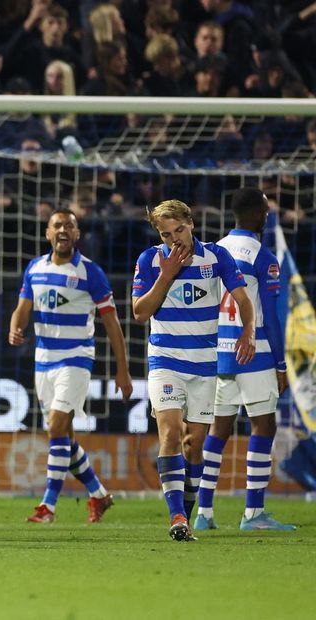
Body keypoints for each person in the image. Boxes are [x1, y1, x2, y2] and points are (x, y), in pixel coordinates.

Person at [131, 199, 256, 542]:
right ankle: (176, 516)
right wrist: (166, 277)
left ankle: (184, 515)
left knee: (194, 444)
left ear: (191, 222)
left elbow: (244, 299)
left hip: (204, 365)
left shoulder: (216, 257)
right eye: (166, 234)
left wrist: (249, 331)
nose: (175, 239)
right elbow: (140, 313)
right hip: (166, 362)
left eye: (179, 230)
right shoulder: (151, 260)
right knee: (170, 433)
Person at [9, 208, 133, 524]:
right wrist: (15, 327)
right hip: (43, 361)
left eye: (69, 225)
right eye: (57, 225)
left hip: (76, 359)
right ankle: (99, 494)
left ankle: (48, 506)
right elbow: (23, 307)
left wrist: (122, 368)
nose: (63, 230)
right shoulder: (35, 268)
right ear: (47, 233)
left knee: (54, 427)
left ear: (77, 234)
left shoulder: (91, 273)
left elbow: (113, 324)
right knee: (63, 434)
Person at [196, 188, 296, 532]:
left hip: (219, 354)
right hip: (255, 354)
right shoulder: (263, 257)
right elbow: (270, 314)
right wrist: (281, 365)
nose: (267, 217)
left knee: (219, 430)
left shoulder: (213, 251)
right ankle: (254, 513)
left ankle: (204, 512)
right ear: (257, 216)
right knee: (263, 425)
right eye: (266, 212)